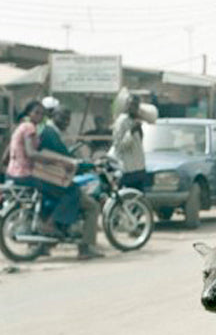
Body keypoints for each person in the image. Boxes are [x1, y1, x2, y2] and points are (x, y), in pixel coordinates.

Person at [38, 99, 104, 259]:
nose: (66, 122)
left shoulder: (49, 132)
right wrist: (86, 166)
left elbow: (64, 155)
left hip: (46, 177)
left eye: (68, 119)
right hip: (53, 179)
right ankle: (85, 247)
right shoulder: (50, 133)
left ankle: (44, 245)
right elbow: (65, 158)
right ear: (54, 115)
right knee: (92, 206)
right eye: (63, 117)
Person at [108, 88, 154, 191]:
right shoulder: (122, 122)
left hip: (139, 169)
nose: (134, 107)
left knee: (139, 201)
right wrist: (131, 132)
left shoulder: (135, 121)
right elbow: (119, 146)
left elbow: (139, 144)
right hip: (128, 171)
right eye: (131, 104)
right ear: (127, 105)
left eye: (136, 105)